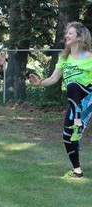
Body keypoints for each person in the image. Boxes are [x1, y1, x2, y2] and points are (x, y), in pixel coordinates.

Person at [29, 21, 92, 179]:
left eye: (70, 33)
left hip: (88, 96)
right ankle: (77, 171)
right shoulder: (64, 58)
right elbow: (53, 78)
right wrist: (38, 83)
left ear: (79, 36)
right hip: (75, 102)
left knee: (72, 85)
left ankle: (78, 120)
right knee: (66, 136)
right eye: (67, 33)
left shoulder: (90, 57)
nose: (67, 36)